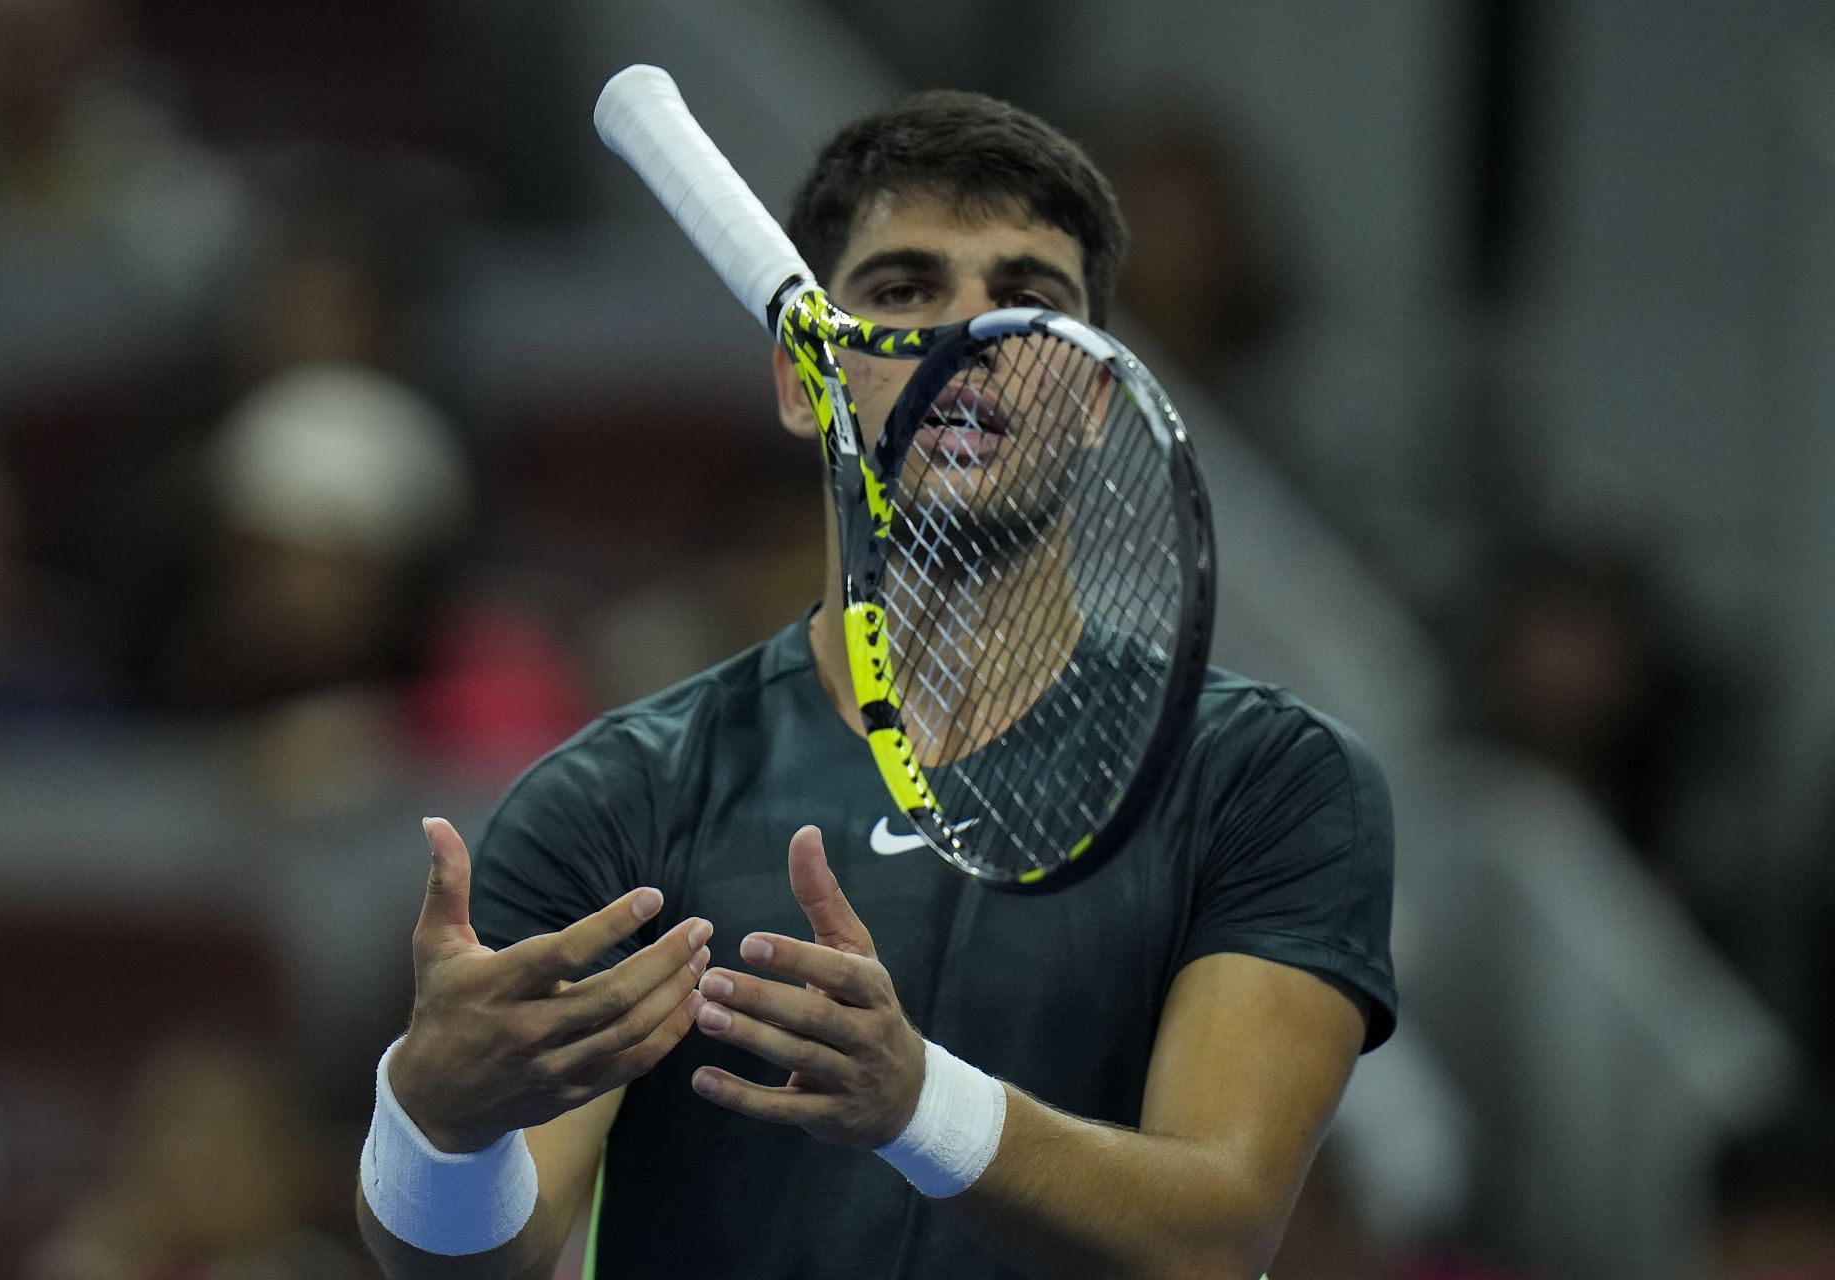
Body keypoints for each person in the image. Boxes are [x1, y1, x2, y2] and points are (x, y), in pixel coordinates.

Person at [357, 88, 1396, 1280]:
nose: (967, 338)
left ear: (1099, 396)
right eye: (904, 291)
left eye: (1027, 300)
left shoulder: (1266, 778)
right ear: (807, 381)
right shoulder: (618, 797)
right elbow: (469, 1266)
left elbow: (1215, 1236)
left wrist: (919, 1106)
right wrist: (436, 1122)